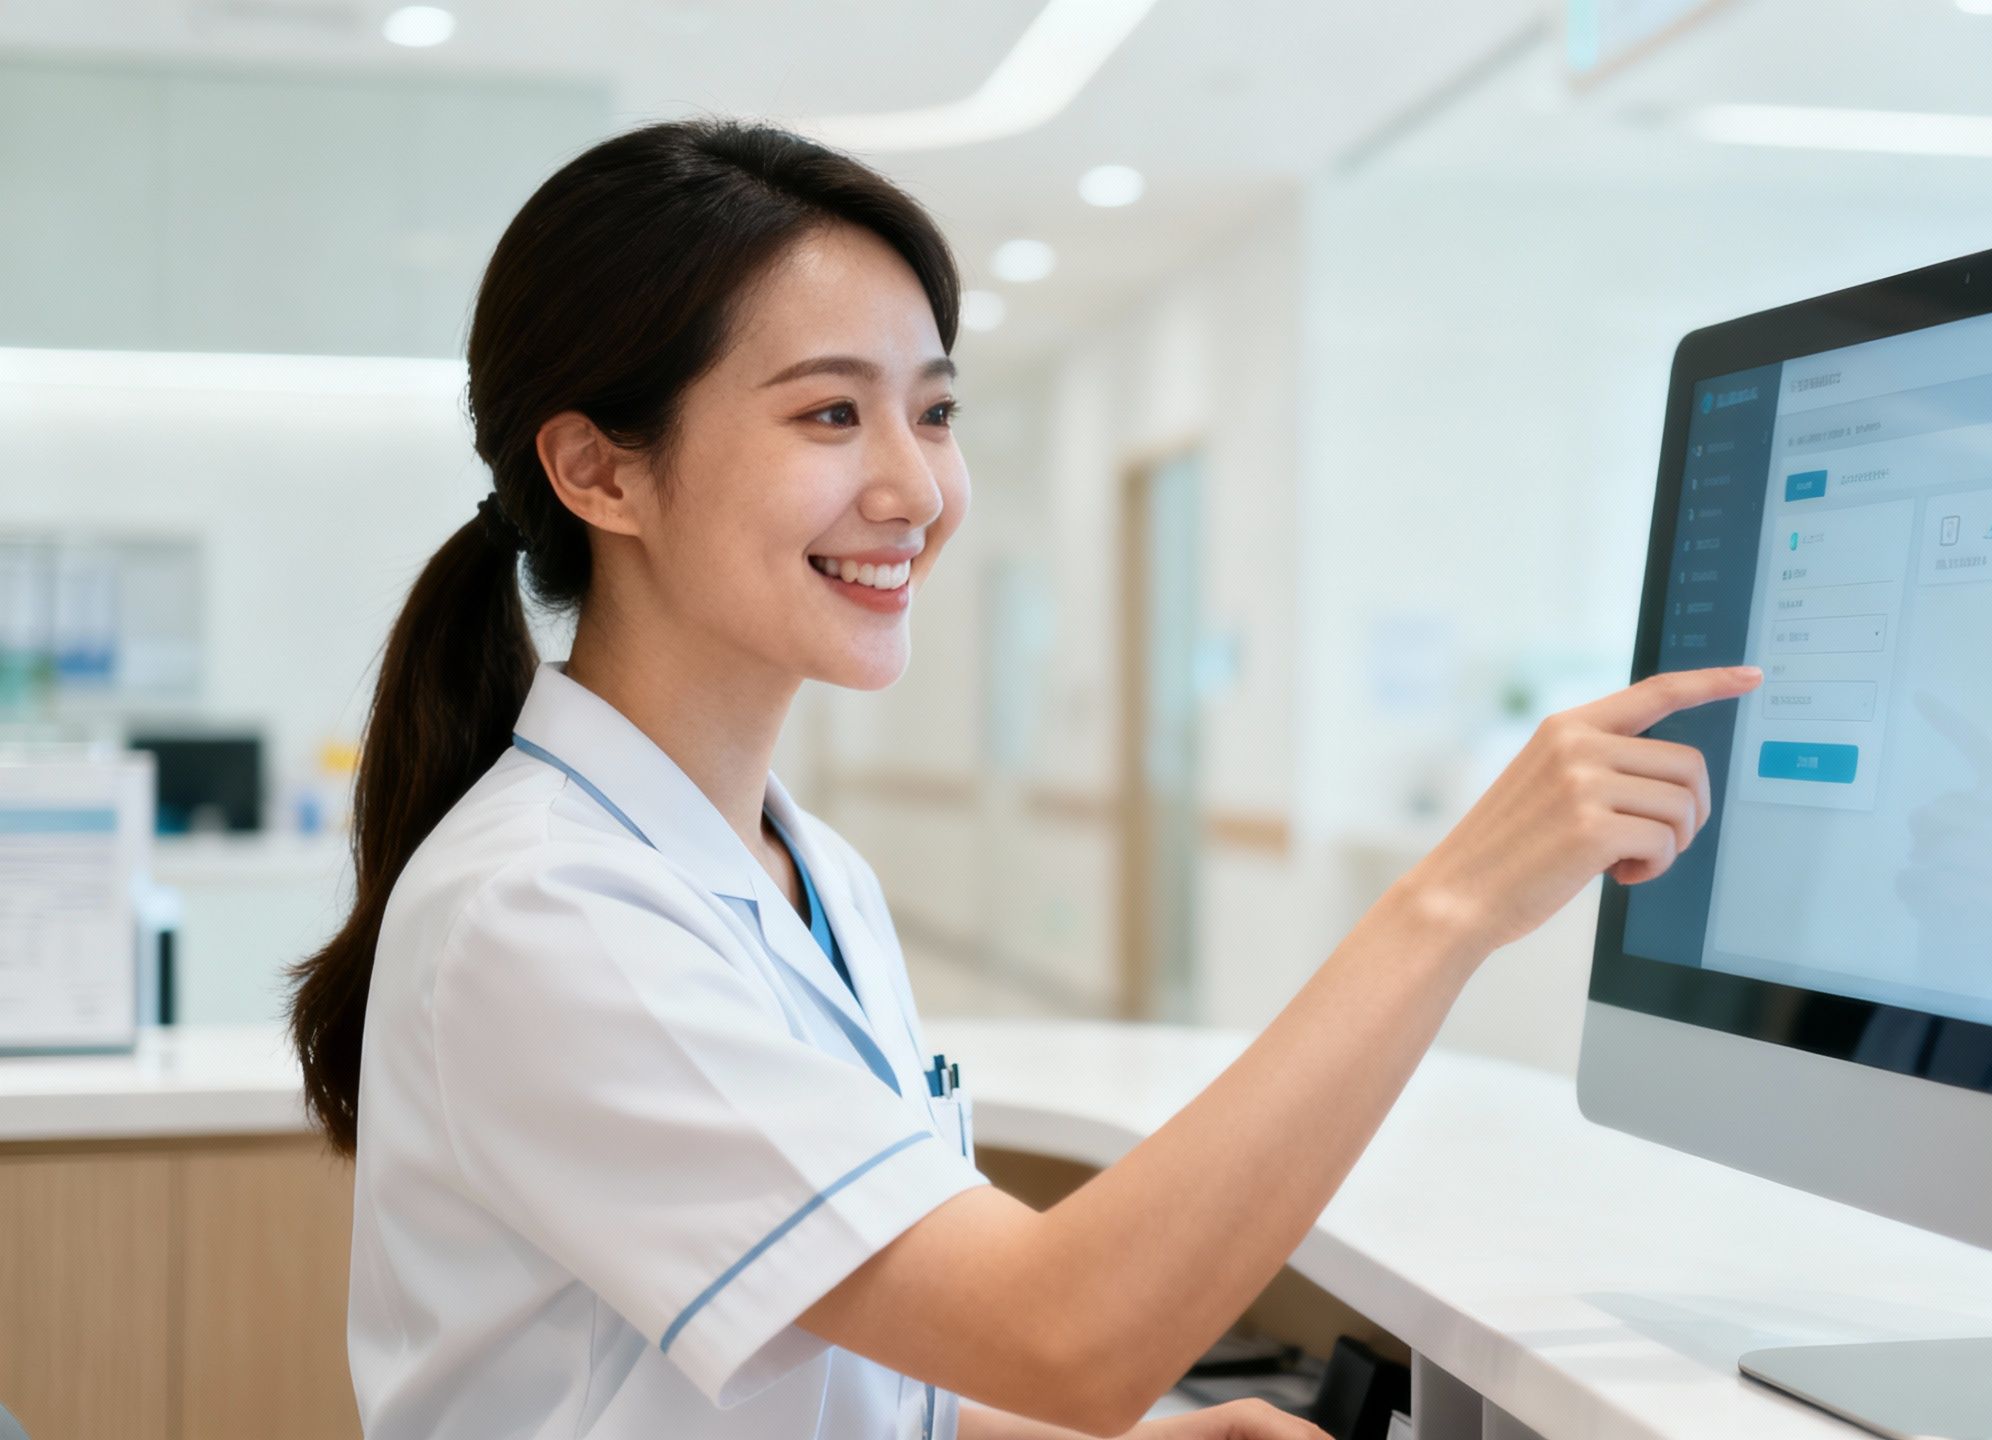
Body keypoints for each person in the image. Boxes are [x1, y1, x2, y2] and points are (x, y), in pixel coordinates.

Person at [286, 117, 1759, 1440]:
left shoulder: (808, 880)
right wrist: (1451, 904)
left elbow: (843, 1386)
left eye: (932, 412)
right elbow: (1062, 1332)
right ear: (599, 473)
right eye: (828, 414)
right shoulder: (550, 909)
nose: (917, 492)